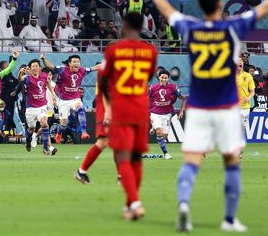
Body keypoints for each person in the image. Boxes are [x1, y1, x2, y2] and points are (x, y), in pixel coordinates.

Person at [144, 0, 268, 232]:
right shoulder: (232, 27)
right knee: (232, 163)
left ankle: (184, 205)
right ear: (220, 5)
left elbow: (166, 9)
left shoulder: (191, 27)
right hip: (226, 108)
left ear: (200, 6)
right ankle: (230, 219)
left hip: (198, 108)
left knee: (192, 161)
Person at [98, 12, 157, 220]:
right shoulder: (150, 51)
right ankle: (129, 206)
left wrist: (110, 104)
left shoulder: (114, 50)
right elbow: (149, 76)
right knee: (136, 157)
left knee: (123, 156)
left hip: (122, 108)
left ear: (123, 25)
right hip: (141, 108)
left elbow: (103, 81)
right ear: (142, 26)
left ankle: (136, 203)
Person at [41, 53, 98, 144]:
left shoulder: (82, 70)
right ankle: (59, 133)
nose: (77, 63)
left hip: (75, 98)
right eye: (74, 62)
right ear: (69, 63)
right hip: (63, 101)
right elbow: (50, 66)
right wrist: (43, 59)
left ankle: (83, 131)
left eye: (78, 62)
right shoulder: (63, 70)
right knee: (64, 124)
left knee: (80, 108)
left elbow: (95, 68)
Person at [18, 59, 57, 154]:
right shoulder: (28, 78)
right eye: (33, 66)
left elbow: (48, 83)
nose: (35, 68)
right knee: (31, 129)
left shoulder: (44, 76)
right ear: (30, 69)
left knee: (45, 124)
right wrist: (20, 73)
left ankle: (45, 148)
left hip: (42, 106)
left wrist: (52, 93)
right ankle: (28, 140)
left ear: (40, 68)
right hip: (31, 108)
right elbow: (21, 79)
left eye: (37, 66)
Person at [149, 69, 186, 159]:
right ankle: (166, 153)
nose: (164, 79)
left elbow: (183, 98)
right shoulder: (153, 88)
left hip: (167, 114)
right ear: (159, 77)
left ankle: (154, 126)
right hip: (155, 113)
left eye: (166, 78)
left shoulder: (173, 88)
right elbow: (148, 99)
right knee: (159, 132)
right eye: (162, 77)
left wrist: (181, 111)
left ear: (168, 78)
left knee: (164, 136)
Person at [236, 58, 255, 158]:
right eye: (238, 61)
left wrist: (248, 98)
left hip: (245, 107)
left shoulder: (247, 76)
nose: (240, 62)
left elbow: (252, 91)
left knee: (242, 129)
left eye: (241, 61)